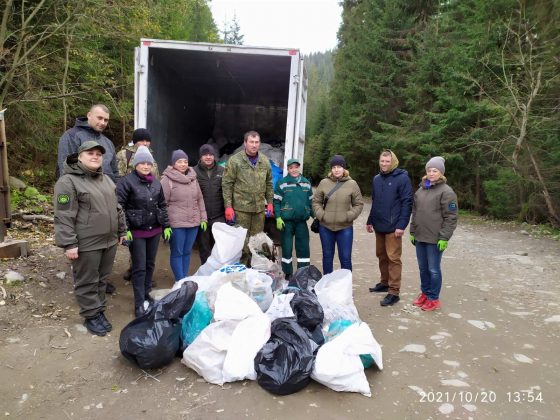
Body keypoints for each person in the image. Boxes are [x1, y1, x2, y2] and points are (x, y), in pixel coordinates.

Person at [54, 141, 127, 336]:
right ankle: (90, 315)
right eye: (90, 153)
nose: (95, 156)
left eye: (99, 154)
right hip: (86, 243)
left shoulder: (106, 179)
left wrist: (121, 231)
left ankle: (99, 309)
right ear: (79, 157)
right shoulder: (67, 182)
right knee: (87, 280)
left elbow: (117, 208)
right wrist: (69, 243)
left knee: (102, 279)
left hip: (109, 240)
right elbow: (63, 215)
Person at [116, 146, 171, 318]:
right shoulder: (126, 182)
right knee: (139, 268)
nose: (146, 166)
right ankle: (139, 303)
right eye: (142, 163)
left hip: (154, 230)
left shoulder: (155, 182)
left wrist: (166, 225)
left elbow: (161, 204)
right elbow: (119, 207)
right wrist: (125, 229)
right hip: (137, 232)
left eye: (149, 163)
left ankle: (147, 294)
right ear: (135, 164)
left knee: (150, 264)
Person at [409, 156, 458, 311]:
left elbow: (451, 216)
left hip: (435, 238)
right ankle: (425, 293)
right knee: (423, 268)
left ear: (441, 173)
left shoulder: (447, 192)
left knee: (433, 269)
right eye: (429, 170)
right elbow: (415, 212)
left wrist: (444, 237)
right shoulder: (421, 189)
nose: (431, 173)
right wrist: (412, 230)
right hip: (420, 236)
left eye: (435, 170)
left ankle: (433, 298)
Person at [366, 150, 413, 307]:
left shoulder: (402, 178)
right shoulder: (376, 179)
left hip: (394, 227)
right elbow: (375, 200)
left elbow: (407, 202)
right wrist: (369, 220)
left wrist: (401, 225)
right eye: (382, 161)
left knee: (393, 258)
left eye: (387, 161)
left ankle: (394, 292)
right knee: (381, 255)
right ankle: (384, 282)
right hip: (379, 224)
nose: (384, 164)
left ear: (393, 162)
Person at [222, 130, 273, 265]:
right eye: (251, 142)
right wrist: (228, 206)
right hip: (241, 210)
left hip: (258, 210)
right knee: (242, 243)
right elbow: (227, 184)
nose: (254, 145)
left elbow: (269, 183)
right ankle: (242, 272)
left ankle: (256, 271)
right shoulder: (235, 160)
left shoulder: (264, 161)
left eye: (257, 142)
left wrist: (270, 203)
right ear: (245, 143)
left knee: (257, 242)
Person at [312, 155, 363, 274]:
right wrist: (321, 215)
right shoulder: (324, 183)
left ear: (344, 168)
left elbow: (359, 204)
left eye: (339, 167)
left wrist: (349, 216)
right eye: (334, 167)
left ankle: (345, 287)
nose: (336, 169)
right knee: (327, 257)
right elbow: (316, 201)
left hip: (345, 228)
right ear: (331, 169)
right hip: (326, 227)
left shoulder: (352, 184)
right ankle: (327, 286)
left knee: (345, 259)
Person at [161, 150, 208, 280]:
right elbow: (162, 203)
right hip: (176, 224)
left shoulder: (193, 178)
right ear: (173, 163)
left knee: (187, 252)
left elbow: (199, 199)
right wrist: (165, 225)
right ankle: (180, 281)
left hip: (193, 223)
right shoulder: (167, 180)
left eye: (185, 161)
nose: (183, 164)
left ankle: (184, 278)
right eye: (179, 161)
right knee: (177, 253)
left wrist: (203, 218)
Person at [57, 104, 119, 183]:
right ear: (89, 115)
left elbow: (115, 173)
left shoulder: (108, 143)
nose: (103, 123)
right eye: (99, 118)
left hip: (108, 191)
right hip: (83, 191)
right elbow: (65, 169)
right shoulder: (71, 136)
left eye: (106, 120)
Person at [273, 158, 313, 279]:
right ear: (288, 169)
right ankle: (288, 273)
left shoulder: (306, 183)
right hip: (286, 223)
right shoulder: (282, 183)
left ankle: (303, 272)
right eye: (291, 168)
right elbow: (276, 201)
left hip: (301, 222)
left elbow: (311, 203)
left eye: (296, 167)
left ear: (299, 168)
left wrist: (316, 217)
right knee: (287, 248)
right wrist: (278, 217)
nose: (294, 170)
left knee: (303, 248)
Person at [193, 144, 225, 265]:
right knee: (204, 248)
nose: (208, 157)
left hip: (219, 216)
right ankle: (206, 273)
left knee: (219, 247)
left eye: (211, 154)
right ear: (200, 157)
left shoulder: (222, 171)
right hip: (202, 218)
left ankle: (219, 274)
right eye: (205, 155)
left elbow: (228, 191)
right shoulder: (193, 171)